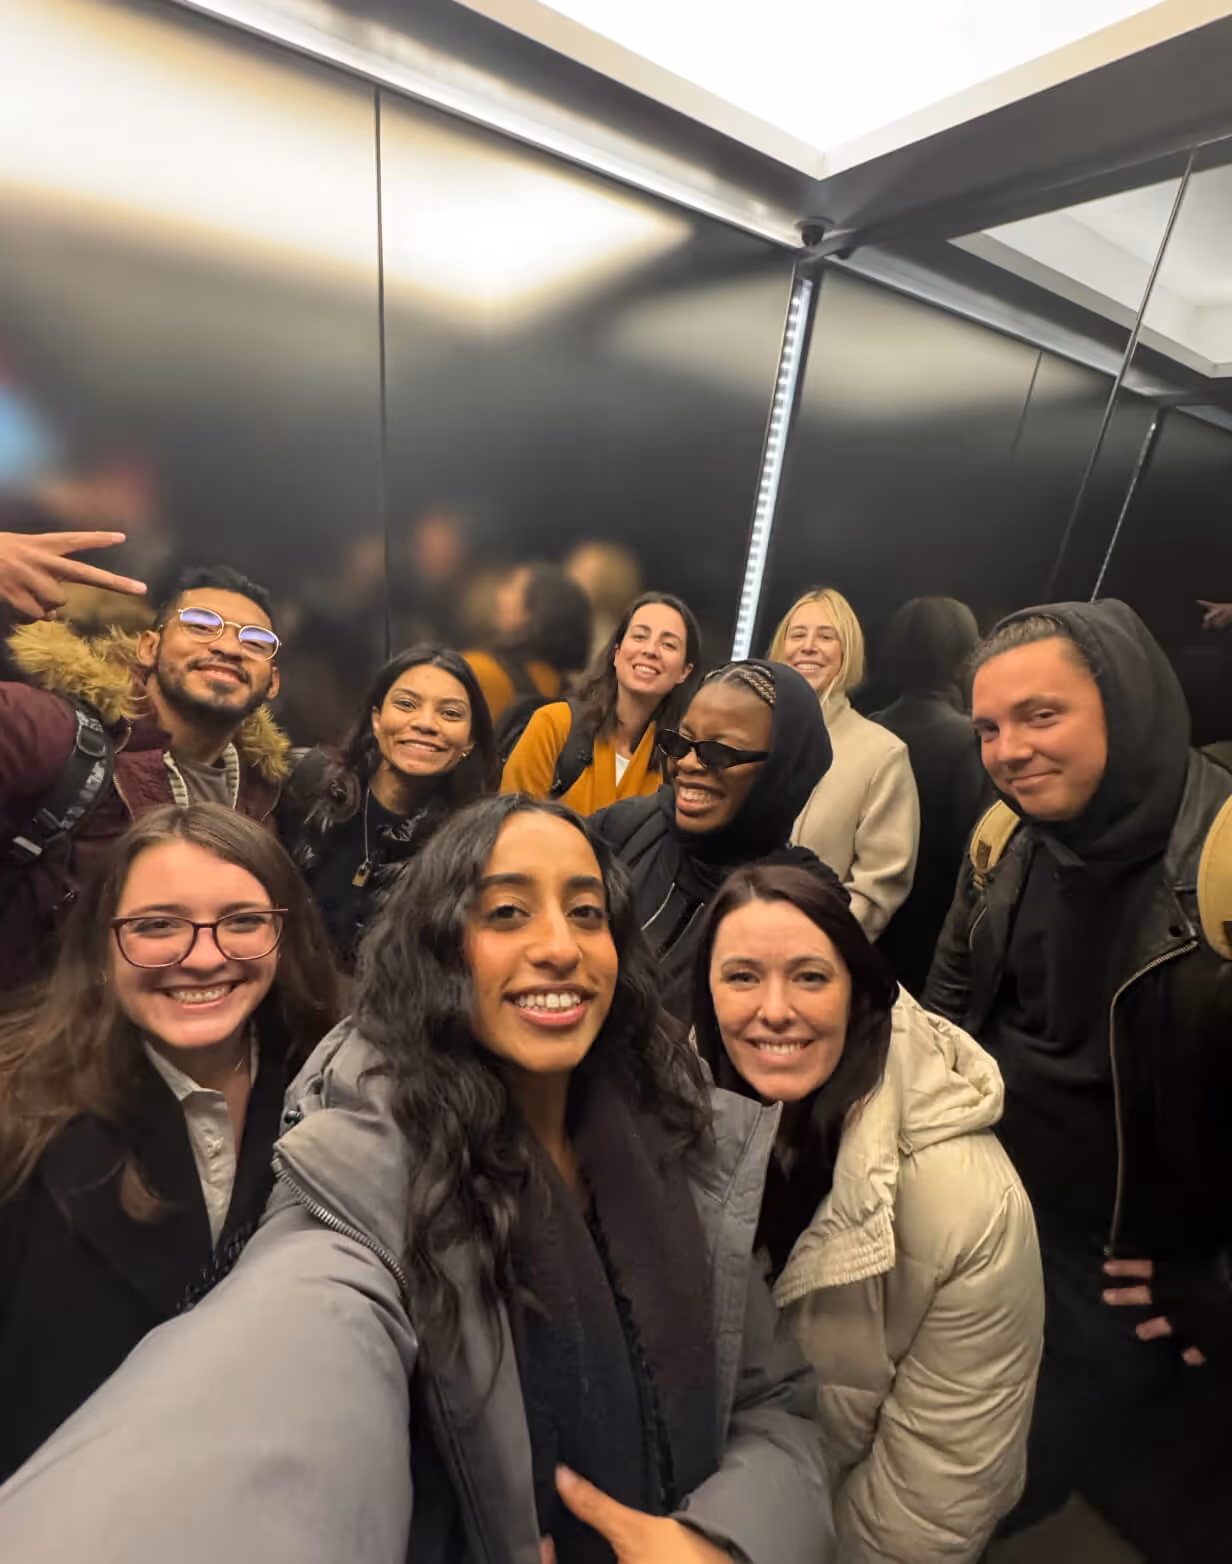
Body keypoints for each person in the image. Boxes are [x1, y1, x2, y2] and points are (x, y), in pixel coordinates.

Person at [0, 796, 834, 1564]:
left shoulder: (682, 1138)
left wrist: (723, 1540)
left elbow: (775, 1408)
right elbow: (283, 1372)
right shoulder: (378, 1171)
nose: (558, 944)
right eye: (506, 912)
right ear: (439, 948)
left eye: (587, 912)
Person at [923, 600, 1232, 1562]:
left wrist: (1223, 1284)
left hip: (1121, 1264)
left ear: (1125, 703)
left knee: (1015, 1480)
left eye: (1040, 716)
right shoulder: (1002, 840)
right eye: (987, 728)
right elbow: (947, 1004)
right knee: (947, 1450)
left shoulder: (1221, 868)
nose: (1007, 751)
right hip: (986, 1213)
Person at [692, 863, 1043, 1562]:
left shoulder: (974, 1212)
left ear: (859, 991)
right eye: (741, 977)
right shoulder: (675, 1119)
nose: (775, 1008)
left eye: (810, 977)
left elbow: (927, 1509)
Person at [0, 803, 338, 1483]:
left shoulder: (338, 1091)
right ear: (101, 948)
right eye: (157, 926)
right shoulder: (18, 1117)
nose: (205, 955)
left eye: (242, 921)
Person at [0, 558, 290, 992]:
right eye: (200, 624)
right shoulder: (54, 732)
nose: (229, 647)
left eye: (255, 641)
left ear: (272, 683)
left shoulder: (267, 794)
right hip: (41, 1044)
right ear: (148, 648)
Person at [592, 660, 833, 1021]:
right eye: (679, 742)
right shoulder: (624, 828)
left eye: (718, 753)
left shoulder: (806, 905)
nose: (687, 763)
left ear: (783, 769)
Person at [281, 646, 498, 968]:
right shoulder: (306, 784)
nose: (426, 723)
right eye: (406, 704)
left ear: (469, 741)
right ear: (377, 718)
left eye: (450, 713)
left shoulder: (472, 846)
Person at [769, 588, 919, 938]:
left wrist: (818, 946)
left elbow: (878, 885)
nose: (809, 646)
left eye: (826, 636)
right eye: (798, 634)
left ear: (846, 652)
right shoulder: (746, 735)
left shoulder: (882, 754)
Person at [871, 596, 987, 993]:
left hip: (870, 923)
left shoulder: (868, 730)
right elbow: (971, 854)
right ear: (964, 656)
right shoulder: (972, 742)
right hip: (935, 935)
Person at [501, 591, 701, 814]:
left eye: (668, 645)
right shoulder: (554, 724)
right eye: (639, 636)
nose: (650, 650)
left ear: (685, 671)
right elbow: (513, 824)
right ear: (616, 653)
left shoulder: (678, 762)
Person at [463, 561, 593, 727]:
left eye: (511, 587)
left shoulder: (477, 670)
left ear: (535, 612)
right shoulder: (575, 697)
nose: (499, 597)